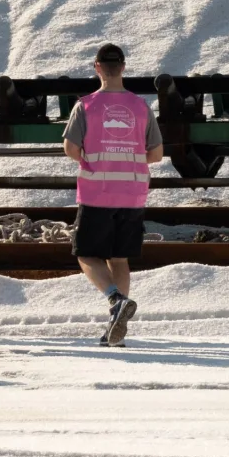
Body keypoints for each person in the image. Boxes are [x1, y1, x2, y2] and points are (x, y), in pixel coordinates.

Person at [64, 42, 164, 346]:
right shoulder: (140, 106)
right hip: (132, 194)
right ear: (123, 67)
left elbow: (71, 149)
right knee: (119, 259)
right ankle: (116, 330)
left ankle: (115, 299)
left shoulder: (86, 105)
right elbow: (157, 153)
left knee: (85, 255)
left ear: (97, 68)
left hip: (97, 194)